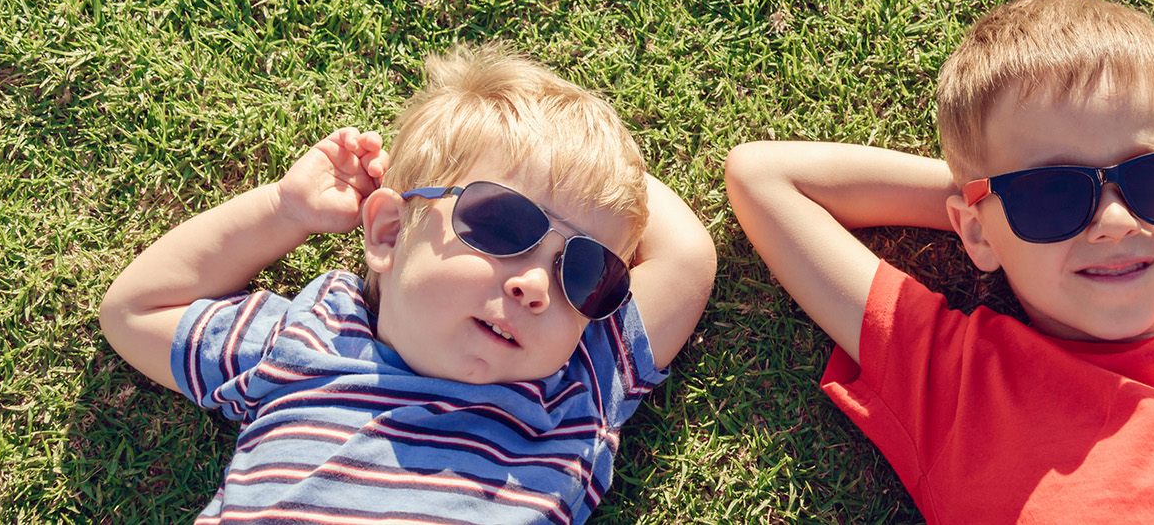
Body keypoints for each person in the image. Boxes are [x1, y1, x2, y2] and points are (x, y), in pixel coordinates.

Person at [724, 0, 1154, 523]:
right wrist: (986, 204)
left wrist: (1143, 170)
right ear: (977, 235)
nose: (1113, 222)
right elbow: (763, 178)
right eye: (1052, 196)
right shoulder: (953, 383)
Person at [99, 42, 715, 524]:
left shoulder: (576, 389)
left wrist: (599, 172)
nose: (534, 284)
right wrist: (284, 212)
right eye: (503, 223)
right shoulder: (306, 337)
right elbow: (135, 309)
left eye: (583, 272)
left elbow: (684, 260)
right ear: (390, 233)